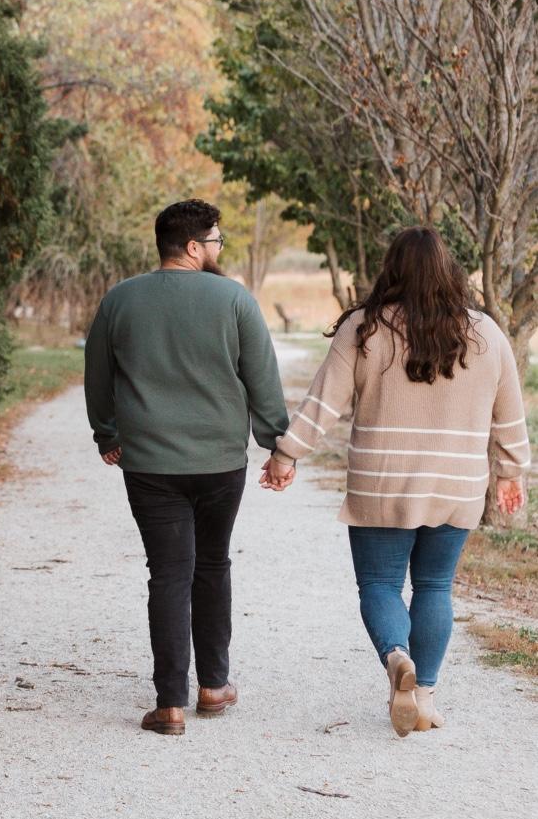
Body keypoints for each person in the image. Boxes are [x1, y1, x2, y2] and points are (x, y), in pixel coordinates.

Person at [261, 226, 530, 736]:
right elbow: (510, 414)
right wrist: (511, 472)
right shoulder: (486, 334)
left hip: (381, 482)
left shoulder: (364, 328)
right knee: (435, 586)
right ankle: (422, 696)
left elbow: (323, 404)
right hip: (456, 484)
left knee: (380, 584)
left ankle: (396, 657)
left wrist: (286, 454)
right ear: (450, 271)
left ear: (392, 269)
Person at [85, 199, 289, 736]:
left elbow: (98, 375)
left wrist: (107, 433)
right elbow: (262, 378)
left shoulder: (120, 299)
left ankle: (170, 704)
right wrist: (276, 445)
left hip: (150, 463)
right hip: (221, 462)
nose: (219, 248)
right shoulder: (234, 299)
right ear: (194, 246)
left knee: (169, 572)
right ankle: (214, 686)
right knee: (213, 564)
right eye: (216, 240)